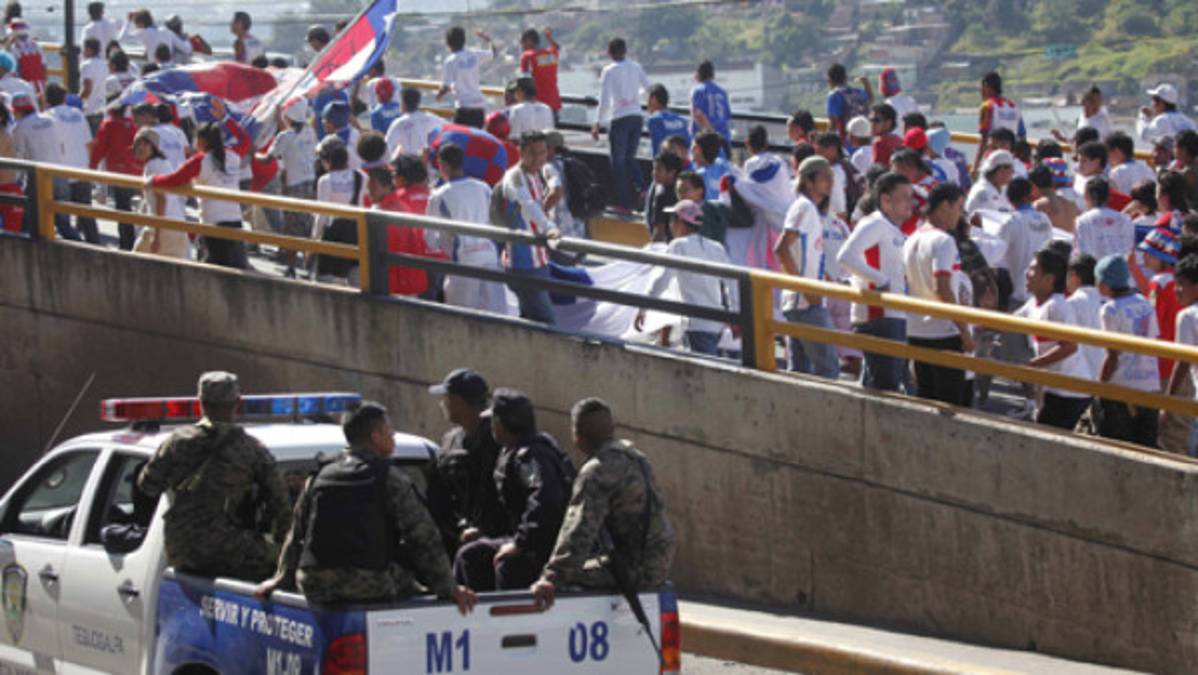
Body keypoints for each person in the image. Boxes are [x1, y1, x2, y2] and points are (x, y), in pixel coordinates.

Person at [255, 402, 477, 613]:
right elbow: (423, 537)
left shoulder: (319, 476)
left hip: (313, 584)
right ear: (375, 437)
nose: (393, 437)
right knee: (410, 581)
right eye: (389, 431)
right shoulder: (388, 478)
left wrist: (280, 580)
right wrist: (449, 588)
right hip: (365, 583)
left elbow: (296, 535)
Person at [137, 372, 291, 580]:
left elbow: (147, 486)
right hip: (227, 549)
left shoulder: (176, 442)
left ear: (201, 402)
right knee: (286, 559)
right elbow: (281, 504)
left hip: (181, 549)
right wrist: (283, 544)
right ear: (237, 403)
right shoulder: (252, 450)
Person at [531, 398, 675, 609]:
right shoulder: (636, 457)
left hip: (635, 570)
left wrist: (551, 578)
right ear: (612, 429)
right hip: (659, 561)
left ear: (577, 437)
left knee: (551, 572)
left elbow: (579, 532)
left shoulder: (597, 471)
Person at [453, 389, 574, 591]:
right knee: (471, 555)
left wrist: (520, 544)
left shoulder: (531, 457)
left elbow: (545, 502)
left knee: (507, 565)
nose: (491, 426)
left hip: (544, 546)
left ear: (503, 423)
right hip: (528, 538)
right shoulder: (514, 451)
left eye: (494, 421)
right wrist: (484, 531)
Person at [148, 104, 251, 269]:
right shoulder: (233, 155)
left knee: (215, 270)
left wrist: (153, 181)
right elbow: (246, 139)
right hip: (235, 221)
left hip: (212, 222)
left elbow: (174, 179)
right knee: (236, 269)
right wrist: (226, 119)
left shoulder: (201, 161)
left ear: (202, 141)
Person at [837, 172, 912, 392]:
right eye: (904, 196)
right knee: (884, 387)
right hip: (880, 315)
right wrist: (881, 280)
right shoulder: (875, 224)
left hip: (894, 314)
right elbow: (845, 256)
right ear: (886, 200)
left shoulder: (892, 229)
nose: (911, 202)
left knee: (880, 383)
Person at [635, 200, 738, 356]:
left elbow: (661, 280)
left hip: (695, 324)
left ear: (679, 222)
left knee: (701, 374)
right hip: (716, 324)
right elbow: (732, 283)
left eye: (672, 220)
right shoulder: (716, 247)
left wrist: (643, 308)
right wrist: (734, 314)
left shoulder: (678, 246)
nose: (670, 225)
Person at [902, 183, 973, 405]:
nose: (960, 215)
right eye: (959, 208)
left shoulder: (911, 238)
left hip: (916, 329)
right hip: (944, 332)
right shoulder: (944, 241)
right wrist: (964, 330)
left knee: (926, 401)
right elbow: (942, 287)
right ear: (945, 206)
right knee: (953, 405)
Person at [425, 369, 507, 557]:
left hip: (494, 543)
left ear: (458, 402)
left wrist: (486, 529)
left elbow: (506, 495)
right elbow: (439, 493)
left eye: (445, 399)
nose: (442, 405)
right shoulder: (450, 440)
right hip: (458, 538)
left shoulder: (498, 439)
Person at [774, 156, 838, 379]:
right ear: (809, 181)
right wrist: (807, 291)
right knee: (828, 369)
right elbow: (781, 248)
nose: (830, 182)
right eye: (824, 177)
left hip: (802, 301)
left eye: (831, 177)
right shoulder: (803, 207)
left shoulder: (810, 209)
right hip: (805, 303)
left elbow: (808, 257)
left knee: (800, 373)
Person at [424, 144, 507, 314]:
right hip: (490, 257)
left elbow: (429, 239)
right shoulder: (483, 187)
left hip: (462, 264)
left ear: (444, 165)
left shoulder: (439, 195)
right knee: (497, 319)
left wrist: (443, 244)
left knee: (460, 320)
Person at [1094, 255, 1161, 446]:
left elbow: (1112, 355)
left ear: (1105, 284)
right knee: (1145, 449)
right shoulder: (1144, 302)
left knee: (1117, 448)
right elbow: (1153, 339)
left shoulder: (1110, 310)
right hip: (1149, 386)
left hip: (1121, 388)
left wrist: (1100, 387)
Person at [495, 130, 559, 324]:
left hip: (538, 260)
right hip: (523, 264)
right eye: (533, 153)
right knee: (547, 323)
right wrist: (550, 228)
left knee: (530, 320)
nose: (539, 158)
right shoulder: (514, 177)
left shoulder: (534, 174)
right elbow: (528, 205)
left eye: (542, 152)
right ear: (521, 152)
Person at [12, 93, 79, 240]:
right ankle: (87, 253)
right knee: (64, 225)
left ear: (17, 110)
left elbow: (19, 158)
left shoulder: (20, 128)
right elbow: (62, 147)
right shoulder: (51, 120)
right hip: (60, 173)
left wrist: (17, 181)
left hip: (39, 179)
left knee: (30, 224)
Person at [592, 38, 649, 212]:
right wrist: (635, 98)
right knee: (630, 157)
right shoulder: (636, 66)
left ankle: (624, 203)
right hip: (636, 115)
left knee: (618, 163)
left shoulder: (609, 70)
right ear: (625, 50)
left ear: (609, 52)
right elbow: (648, 88)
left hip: (620, 117)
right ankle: (642, 188)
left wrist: (597, 123)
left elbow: (604, 100)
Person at [45, 83, 99, 245]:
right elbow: (88, 143)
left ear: (47, 100)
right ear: (64, 97)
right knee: (86, 213)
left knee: (62, 218)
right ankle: (94, 245)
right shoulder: (77, 113)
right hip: (82, 168)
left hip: (62, 171)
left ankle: (75, 245)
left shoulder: (47, 116)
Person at [131, 128, 188, 258]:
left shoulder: (153, 166)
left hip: (162, 229)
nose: (138, 149)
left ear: (150, 146)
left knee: (134, 263)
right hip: (176, 226)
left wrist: (157, 236)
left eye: (142, 144)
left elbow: (161, 200)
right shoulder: (163, 162)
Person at [998, 177, 1054, 307]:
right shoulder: (1045, 219)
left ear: (1009, 199)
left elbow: (996, 256)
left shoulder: (1010, 222)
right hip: (1042, 294)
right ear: (1030, 196)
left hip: (1019, 294)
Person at [1136, 227, 1182, 384]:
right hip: (1179, 357)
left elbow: (1152, 322)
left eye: (1148, 253)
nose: (1144, 257)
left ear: (1161, 257)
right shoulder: (1179, 281)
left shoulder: (1159, 282)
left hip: (1160, 361)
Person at [1163, 254, 1198, 456]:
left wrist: (1166, 405)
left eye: (1181, 284)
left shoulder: (1187, 316)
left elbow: (1182, 362)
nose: (1176, 290)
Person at [436, 26, 497, 128]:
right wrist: (487, 39)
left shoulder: (450, 61)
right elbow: (493, 53)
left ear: (448, 43)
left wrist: (438, 96)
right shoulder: (475, 54)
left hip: (463, 107)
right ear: (464, 41)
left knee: (461, 139)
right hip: (479, 106)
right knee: (477, 139)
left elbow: (445, 87)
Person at [975, 71, 1026, 174]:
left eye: (981, 88)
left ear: (986, 86)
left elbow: (984, 138)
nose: (980, 92)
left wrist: (976, 165)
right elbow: (1022, 136)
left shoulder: (987, 107)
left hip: (993, 161)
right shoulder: (1013, 106)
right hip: (1011, 160)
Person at [1074, 177, 1133, 261]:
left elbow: (1082, 252)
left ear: (1086, 195)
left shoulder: (1082, 220)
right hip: (1121, 269)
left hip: (1094, 270)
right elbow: (1129, 249)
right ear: (1109, 196)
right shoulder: (1125, 219)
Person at [1067, 254, 1106, 380]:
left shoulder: (1072, 303)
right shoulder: (1107, 300)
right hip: (1106, 376)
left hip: (1078, 377)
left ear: (1073, 275)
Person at [384, 87, 443, 161]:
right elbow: (448, 127)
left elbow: (387, 147)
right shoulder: (430, 117)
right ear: (418, 102)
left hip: (409, 164)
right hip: (427, 161)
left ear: (403, 103)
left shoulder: (399, 123)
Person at [889, 147, 935, 236]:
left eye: (896, 172)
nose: (893, 176)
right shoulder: (928, 182)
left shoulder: (921, 190)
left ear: (909, 168)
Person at [119, 9, 191, 65]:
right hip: (170, 69)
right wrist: (186, 38)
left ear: (141, 23)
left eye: (136, 25)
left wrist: (128, 21)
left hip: (154, 70)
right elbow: (187, 49)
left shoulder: (144, 32)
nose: (137, 28)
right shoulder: (168, 32)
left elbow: (122, 39)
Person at [519, 27, 561, 117]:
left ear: (529, 41)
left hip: (536, 106)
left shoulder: (527, 57)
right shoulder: (552, 54)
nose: (521, 47)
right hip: (553, 103)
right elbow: (557, 47)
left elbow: (525, 82)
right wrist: (549, 38)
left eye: (522, 43)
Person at [1031, 162, 1080, 236]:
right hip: (1071, 246)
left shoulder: (1038, 206)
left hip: (1052, 246)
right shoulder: (1072, 205)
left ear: (1033, 185)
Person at [825, 63, 871, 141]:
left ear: (830, 80)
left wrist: (824, 140)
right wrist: (866, 84)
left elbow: (833, 125)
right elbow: (870, 100)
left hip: (847, 142)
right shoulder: (859, 92)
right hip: (864, 140)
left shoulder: (834, 96)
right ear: (845, 78)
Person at [690, 60, 730, 145]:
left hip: (706, 140)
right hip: (725, 137)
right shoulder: (722, 92)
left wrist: (712, 133)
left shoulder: (698, 90)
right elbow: (727, 116)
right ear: (713, 75)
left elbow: (697, 114)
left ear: (698, 74)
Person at [645, 151, 681, 242]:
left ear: (672, 173)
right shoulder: (688, 190)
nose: (654, 173)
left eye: (658, 169)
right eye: (654, 169)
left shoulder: (662, 197)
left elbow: (659, 232)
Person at [965, 149, 1016, 215]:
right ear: (1001, 170)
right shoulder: (983, 191)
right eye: (1011, 169)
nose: (1013, 173)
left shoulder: (1002, 189)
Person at [1107, 132, 1156, 196]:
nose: (1107, 158)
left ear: (1117, 151)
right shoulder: (1147, 168)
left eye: (1108, 153)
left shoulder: (1116, 172)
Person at [646, 83, 688, 158]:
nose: (647, 103)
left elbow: (657, 149)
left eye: (647, 99)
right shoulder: (681, 120)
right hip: (684, 164)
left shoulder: (654, 120)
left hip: (668, 165)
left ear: (653, 99)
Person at [78, 38, 108, 134]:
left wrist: (78, 101)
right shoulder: (104, 64)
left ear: (89, 49)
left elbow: (87, 89)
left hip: (89, 109)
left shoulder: (86, 65)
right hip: (102, 107)